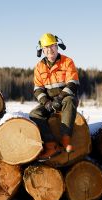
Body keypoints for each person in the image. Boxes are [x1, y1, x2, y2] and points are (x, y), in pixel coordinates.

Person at [29, 33, 79, 161]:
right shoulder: (39, 67)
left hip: (65, 99)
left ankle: (66, 139)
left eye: (52, 46)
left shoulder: (67, 62)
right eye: (46, 48)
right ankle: (51, 145)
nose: (50, 50)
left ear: (57, 47)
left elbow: (72, 83)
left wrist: (59, 98)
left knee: (70, 100)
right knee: (35, 114)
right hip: (49, 102)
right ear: (42, 50)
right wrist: (46, 103)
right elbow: (38, 89)